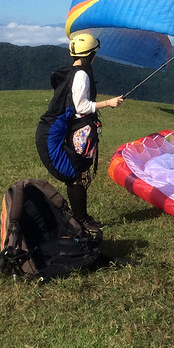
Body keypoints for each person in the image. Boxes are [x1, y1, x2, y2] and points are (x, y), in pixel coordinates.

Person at [35, 33, 124, 232]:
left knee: (78, 173)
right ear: (91, 54)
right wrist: (109, 103)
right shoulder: (81, 74)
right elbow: (81, 107)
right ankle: (81, 221)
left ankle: (81, 218)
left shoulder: (71, 71)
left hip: (55, 129)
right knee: (75, 175)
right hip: (52, 134)